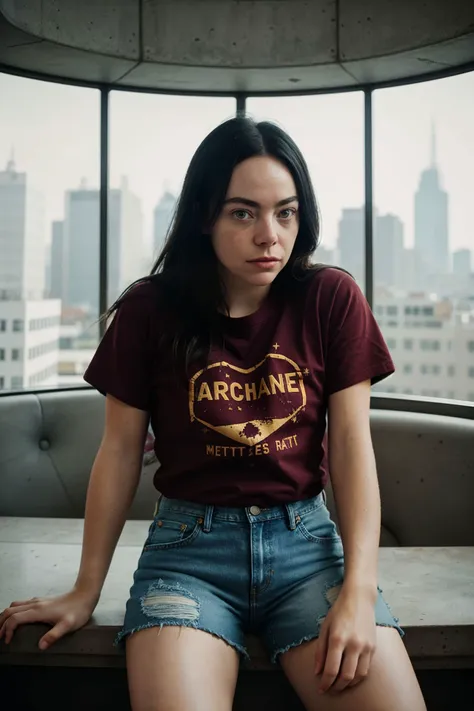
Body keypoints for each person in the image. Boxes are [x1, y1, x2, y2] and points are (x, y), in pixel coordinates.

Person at [0, 117, 426, 711]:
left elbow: (353, 447)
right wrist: (84, 591)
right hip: (188, 555)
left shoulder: (330, 299)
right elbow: (120, 453)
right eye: (243, 213)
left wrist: (358, 589)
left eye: (286, 212)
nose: (269, 236)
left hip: (306, 548)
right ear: (205, 216)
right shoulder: (149, 310)